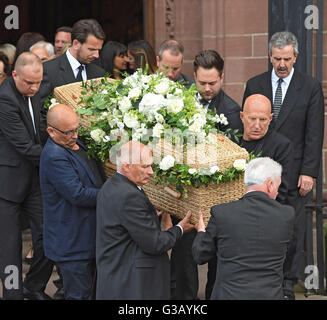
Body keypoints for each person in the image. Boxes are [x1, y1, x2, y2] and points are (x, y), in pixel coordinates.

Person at [242, 31, 324, 299]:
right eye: (277, 58)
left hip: (293, 174)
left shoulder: (310, 86)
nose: (281, 64)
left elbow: (314, 132)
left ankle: (287, 285)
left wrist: (309, 172)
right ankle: (259, 283)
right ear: (269, 56)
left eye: (287, 59)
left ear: (295, 57)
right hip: (258, 173)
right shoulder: (254, 84)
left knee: (291, 229)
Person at [205, 93, 293, 299]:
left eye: (263, 120)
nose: (257, 124)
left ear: (270, 119)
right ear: (242, 116)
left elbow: (283, 191)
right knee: (218, 277)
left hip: (264, 230)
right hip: (228, 227)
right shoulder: (228, 142)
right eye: (252, 118)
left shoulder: (281, 146)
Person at [96, 141, 194, 299]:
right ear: (126, 166)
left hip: (118, 277)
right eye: (144, 166)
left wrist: (149, 215)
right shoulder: (130, 195)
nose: (151, 172)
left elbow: (125, 224)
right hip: (134, 285)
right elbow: (155, 244)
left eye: (150, 165)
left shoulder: (110, 185)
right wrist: (180, 228)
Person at [192, 157, 295, 300]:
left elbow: (200, 255)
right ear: (270, 184)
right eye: (278, 187)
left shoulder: (221, 213)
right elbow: (289, 255)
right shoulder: (286, 215)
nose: (277, 193)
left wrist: (201, 232)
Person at [0, 52, 54, 300]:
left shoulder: (38, 91)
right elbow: (25, 146)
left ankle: (32, 288)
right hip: (7, 185)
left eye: (38, 82)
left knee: (48, 237)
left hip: (35, 181)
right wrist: (61, 160)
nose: (34, 88)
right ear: (14, 75)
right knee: (9, 249)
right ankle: (13, 295)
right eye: (28, 83)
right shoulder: (5, 99)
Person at [40, 104, 105, 300]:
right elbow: (78, 194)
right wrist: (115, 195)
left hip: (88, 238)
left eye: (76, 129)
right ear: (51, 131)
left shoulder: (76, 143)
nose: (75, 136)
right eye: (68, 132)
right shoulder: (54, 155)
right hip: (72, 244)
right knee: (79, 295)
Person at [39, 18, 106, 104]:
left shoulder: (99, 74)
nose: (96, 55)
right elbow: (41, 111)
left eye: (98, 50)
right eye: (91, 49)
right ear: (76, 44)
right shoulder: (48, 70)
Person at [194, 49, 243, 132]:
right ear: (195, 77)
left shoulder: (231, 112)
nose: (207, 89)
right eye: (202, 83)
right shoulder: (183, 99)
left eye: (212, 83)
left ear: (221, 78)